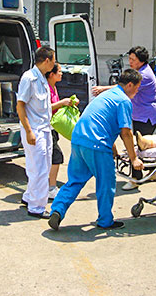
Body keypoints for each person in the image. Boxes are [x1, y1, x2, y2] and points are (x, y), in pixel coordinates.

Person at [48, 69, 144, 231]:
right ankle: (105, 221)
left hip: (79, 139)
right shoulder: (124, 101)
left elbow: (103, 122)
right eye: (137, 87)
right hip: (97, 144)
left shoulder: (107, 95)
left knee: (75, 180)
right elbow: (126, 132)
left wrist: (113, 148)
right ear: (129, 85)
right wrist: (134, 158)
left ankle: (57, 210)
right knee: (106, 182)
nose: (137, 91)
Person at [93, 46, 156, 190]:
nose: (130, 62)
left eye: (133, 59)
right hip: (141, 114)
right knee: (143, 145)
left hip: (146, 116)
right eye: (129, 58)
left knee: (135, 146)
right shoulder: (140, 71)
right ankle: (153, 171)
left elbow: (125, 87)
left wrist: (103, 89)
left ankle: (135, 179)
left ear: (141, 61)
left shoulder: (145, 75)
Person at [16, 46, 56, 219]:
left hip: (44, 129)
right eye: (53, 60)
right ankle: (37, 207)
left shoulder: (42, 78)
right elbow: (20, 106)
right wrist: (29, 131)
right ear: (47, 61)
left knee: (42, 167)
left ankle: (29, 197)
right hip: (35, 131)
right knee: (39, 169)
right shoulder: (29, 78)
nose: (55, 64)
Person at [45, 62, 79, 200]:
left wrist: (69, 103)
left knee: (52, 157)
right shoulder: (46, 88)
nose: (62, 73)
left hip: (53, 128)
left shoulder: (54, 87)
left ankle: (48, 186)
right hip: (46, 128)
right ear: (52, 74)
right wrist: (62, 103)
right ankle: (51, 188)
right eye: (59, 71)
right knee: (56, 157)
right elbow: (45, 107)